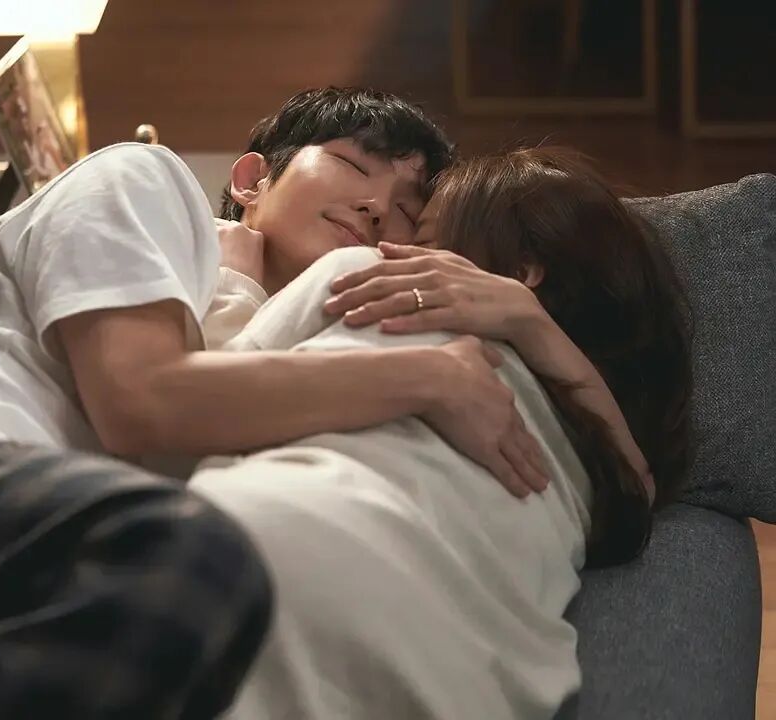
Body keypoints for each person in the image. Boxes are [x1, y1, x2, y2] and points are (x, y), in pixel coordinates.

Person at [0, 87, 507, 720]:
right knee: (203, 558)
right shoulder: (143, 181)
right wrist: (429, 375)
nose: (376, 206)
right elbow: (141, 403)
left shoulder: (305, 340)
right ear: (252, 178)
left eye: (407, 209)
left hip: (55, 595)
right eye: (354, 165)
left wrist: (529, 325)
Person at [186, 146, 693, 718]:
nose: (389, 238)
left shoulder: (371, 275)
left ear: (520, 273)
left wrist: (234, 280)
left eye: (423, 237)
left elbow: (190, 409)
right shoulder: (599, 457)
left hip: (257, 551)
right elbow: (638, 489)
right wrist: (534, 325)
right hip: (461, 684)